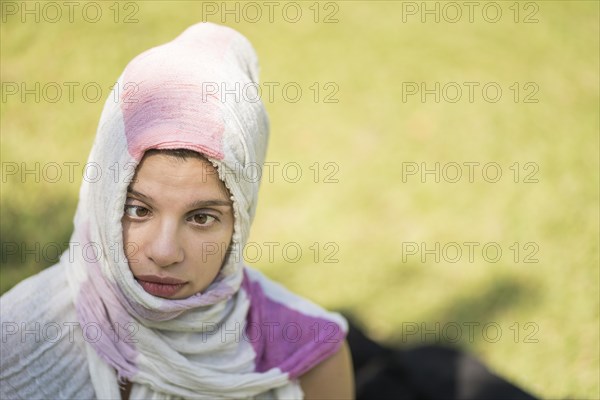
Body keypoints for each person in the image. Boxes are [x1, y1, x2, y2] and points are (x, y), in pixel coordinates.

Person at [0, 22, 354, 399]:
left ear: (240, 220)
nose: (165, 252)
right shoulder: (18, 335)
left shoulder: (309, 356)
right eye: (137, 210)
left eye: (201, 218)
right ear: (102, 199)